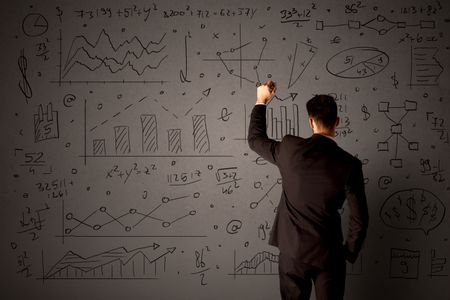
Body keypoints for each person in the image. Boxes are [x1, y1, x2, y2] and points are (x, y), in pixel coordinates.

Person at [248, 81, 369, 300]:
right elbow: (360, 218)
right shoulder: (350, 164)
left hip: (292, 252)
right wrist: (348, 253)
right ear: (337, 122)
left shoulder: (289, 149)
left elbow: (256, 140)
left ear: (311, 121)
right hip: (330, 255)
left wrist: (261, 101)